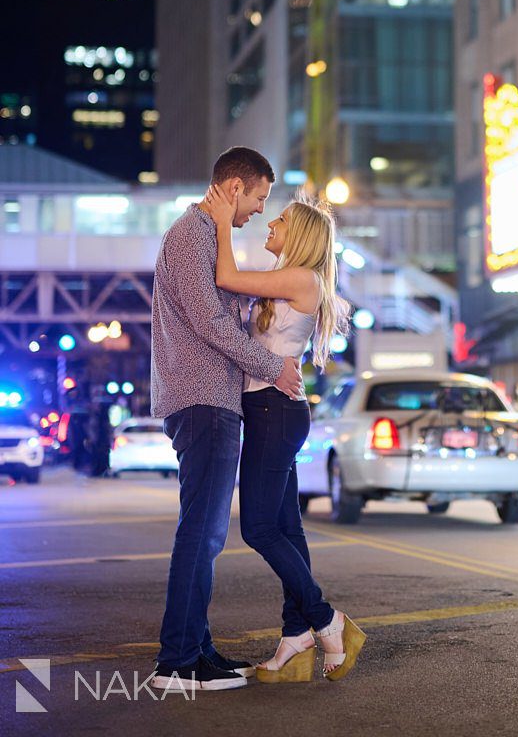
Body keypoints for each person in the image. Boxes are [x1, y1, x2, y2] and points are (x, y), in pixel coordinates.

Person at [150, 147, 305, 693]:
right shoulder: (191, 233)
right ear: (235, 187)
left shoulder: (203, 233)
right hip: (203, 400)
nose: (261, 211)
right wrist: (272, 367)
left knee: (206, 532)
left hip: (207, 399)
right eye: (260, 198)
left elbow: (222, 308)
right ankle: (178, 660)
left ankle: (196, 647)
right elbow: (210, 322)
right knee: (202, 532)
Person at [206, 180, 366, 684]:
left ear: (298, 235)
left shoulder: (302, 280)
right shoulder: (288, 279)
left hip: (276, 412)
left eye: (279, 221)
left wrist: (218, 223)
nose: (269, 223)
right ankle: (296, 635)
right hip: (271, 409)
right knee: (288, 530)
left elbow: (225, 275)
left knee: (257, 528)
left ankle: (324, 619)